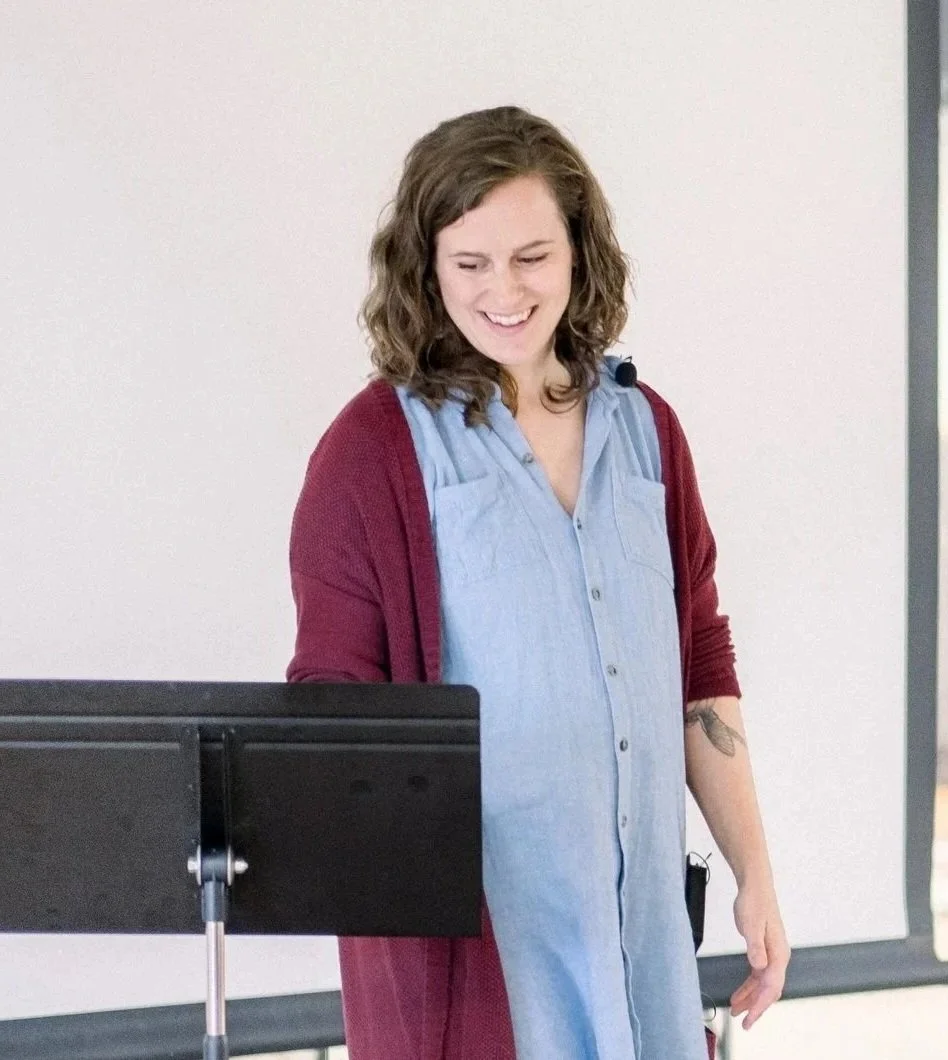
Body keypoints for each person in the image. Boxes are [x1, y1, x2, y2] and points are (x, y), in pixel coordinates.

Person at [286, 106, 789, 1059]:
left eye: (531, 257)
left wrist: (753, 871)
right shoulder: (372, 450)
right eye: (470, 262)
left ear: (578, 254)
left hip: (640, 935)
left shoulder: (647, 430)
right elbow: (331, 710)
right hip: (479, 954)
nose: (504, 291)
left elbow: (699, 662)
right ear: (427, 268)